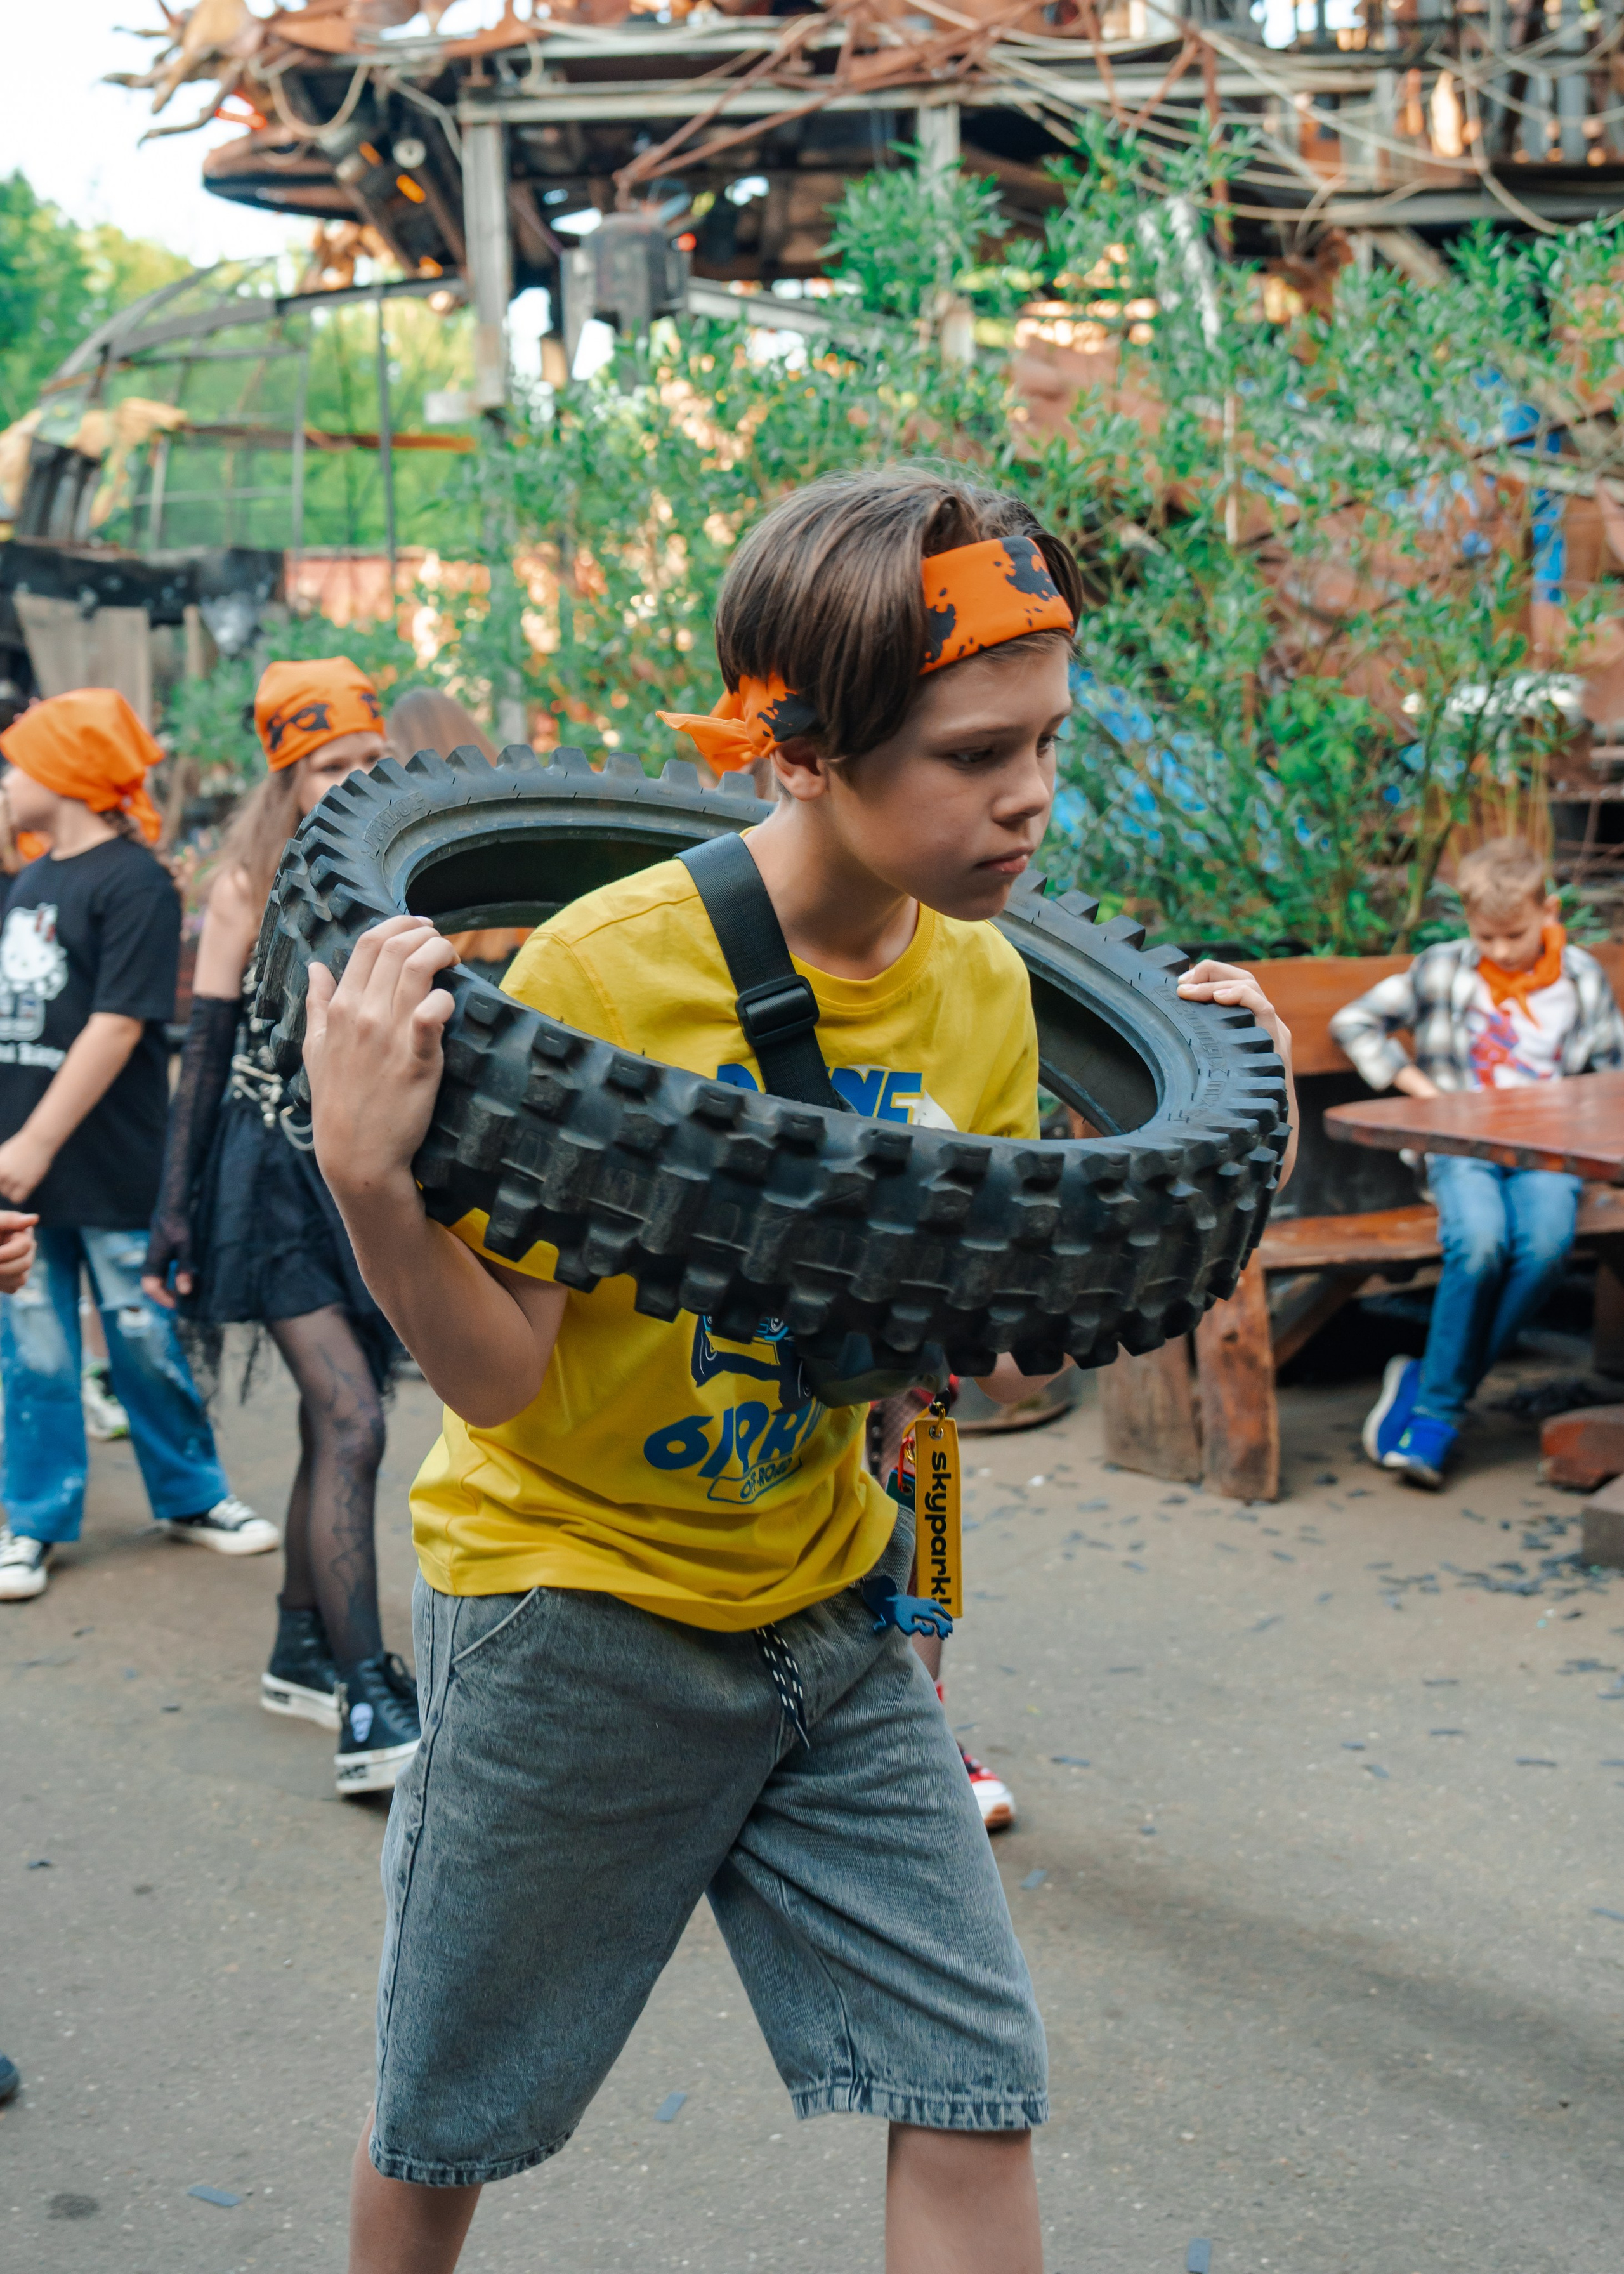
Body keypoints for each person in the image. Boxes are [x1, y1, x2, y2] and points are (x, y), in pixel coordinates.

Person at [298, 465, 1296, 2273]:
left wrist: (1220, 1152)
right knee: (448, 2111)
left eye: (1045, 743)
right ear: (806, 753)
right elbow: (505, 1377)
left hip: (829, 1613)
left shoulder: (986, 986)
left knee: (969, 2083)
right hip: (574, 1617)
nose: (1029, 797)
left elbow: (960, 1327)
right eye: (974, 756)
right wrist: (370, 1181)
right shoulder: (606, 973)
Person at [141, 657, 419, 1795]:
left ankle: (302, 1643)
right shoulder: (247, 880)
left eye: (367, 757)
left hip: (358, 1178)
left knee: (331, 1422)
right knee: (354, 1418)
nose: (350, 777)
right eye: (326, 764)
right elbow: (205, 1053)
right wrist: (173, 1217)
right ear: (286, 777)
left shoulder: (398, 865)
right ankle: (367, 1694)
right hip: (265, 1183)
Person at [0, 689, 270, 1605]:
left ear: (66, 774)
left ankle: (192, 1494)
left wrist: (34, 1142)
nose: (6, 781)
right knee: (32, 1347)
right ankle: (33, 1517)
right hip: (22, 1169)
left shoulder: (136, 882)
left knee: (144, 1334)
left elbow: (117, 1023)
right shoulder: (29, 882)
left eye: (18, 763)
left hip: (106, 1164)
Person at [1332, 836, 1624, 1489]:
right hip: (1459, 1147)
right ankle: (1437, 1416)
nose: (1499, 950)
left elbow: (1612, 1074)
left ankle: (1432, 1385)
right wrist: (1426, 1097)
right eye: (1484, 936)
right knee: (1480, 1244)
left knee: (1544, 1248)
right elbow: (1354, 1022)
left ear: (1548, 910)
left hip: (1551, 1150)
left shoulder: (1581, 979)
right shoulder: (1443, 969)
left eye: (1513, 935)